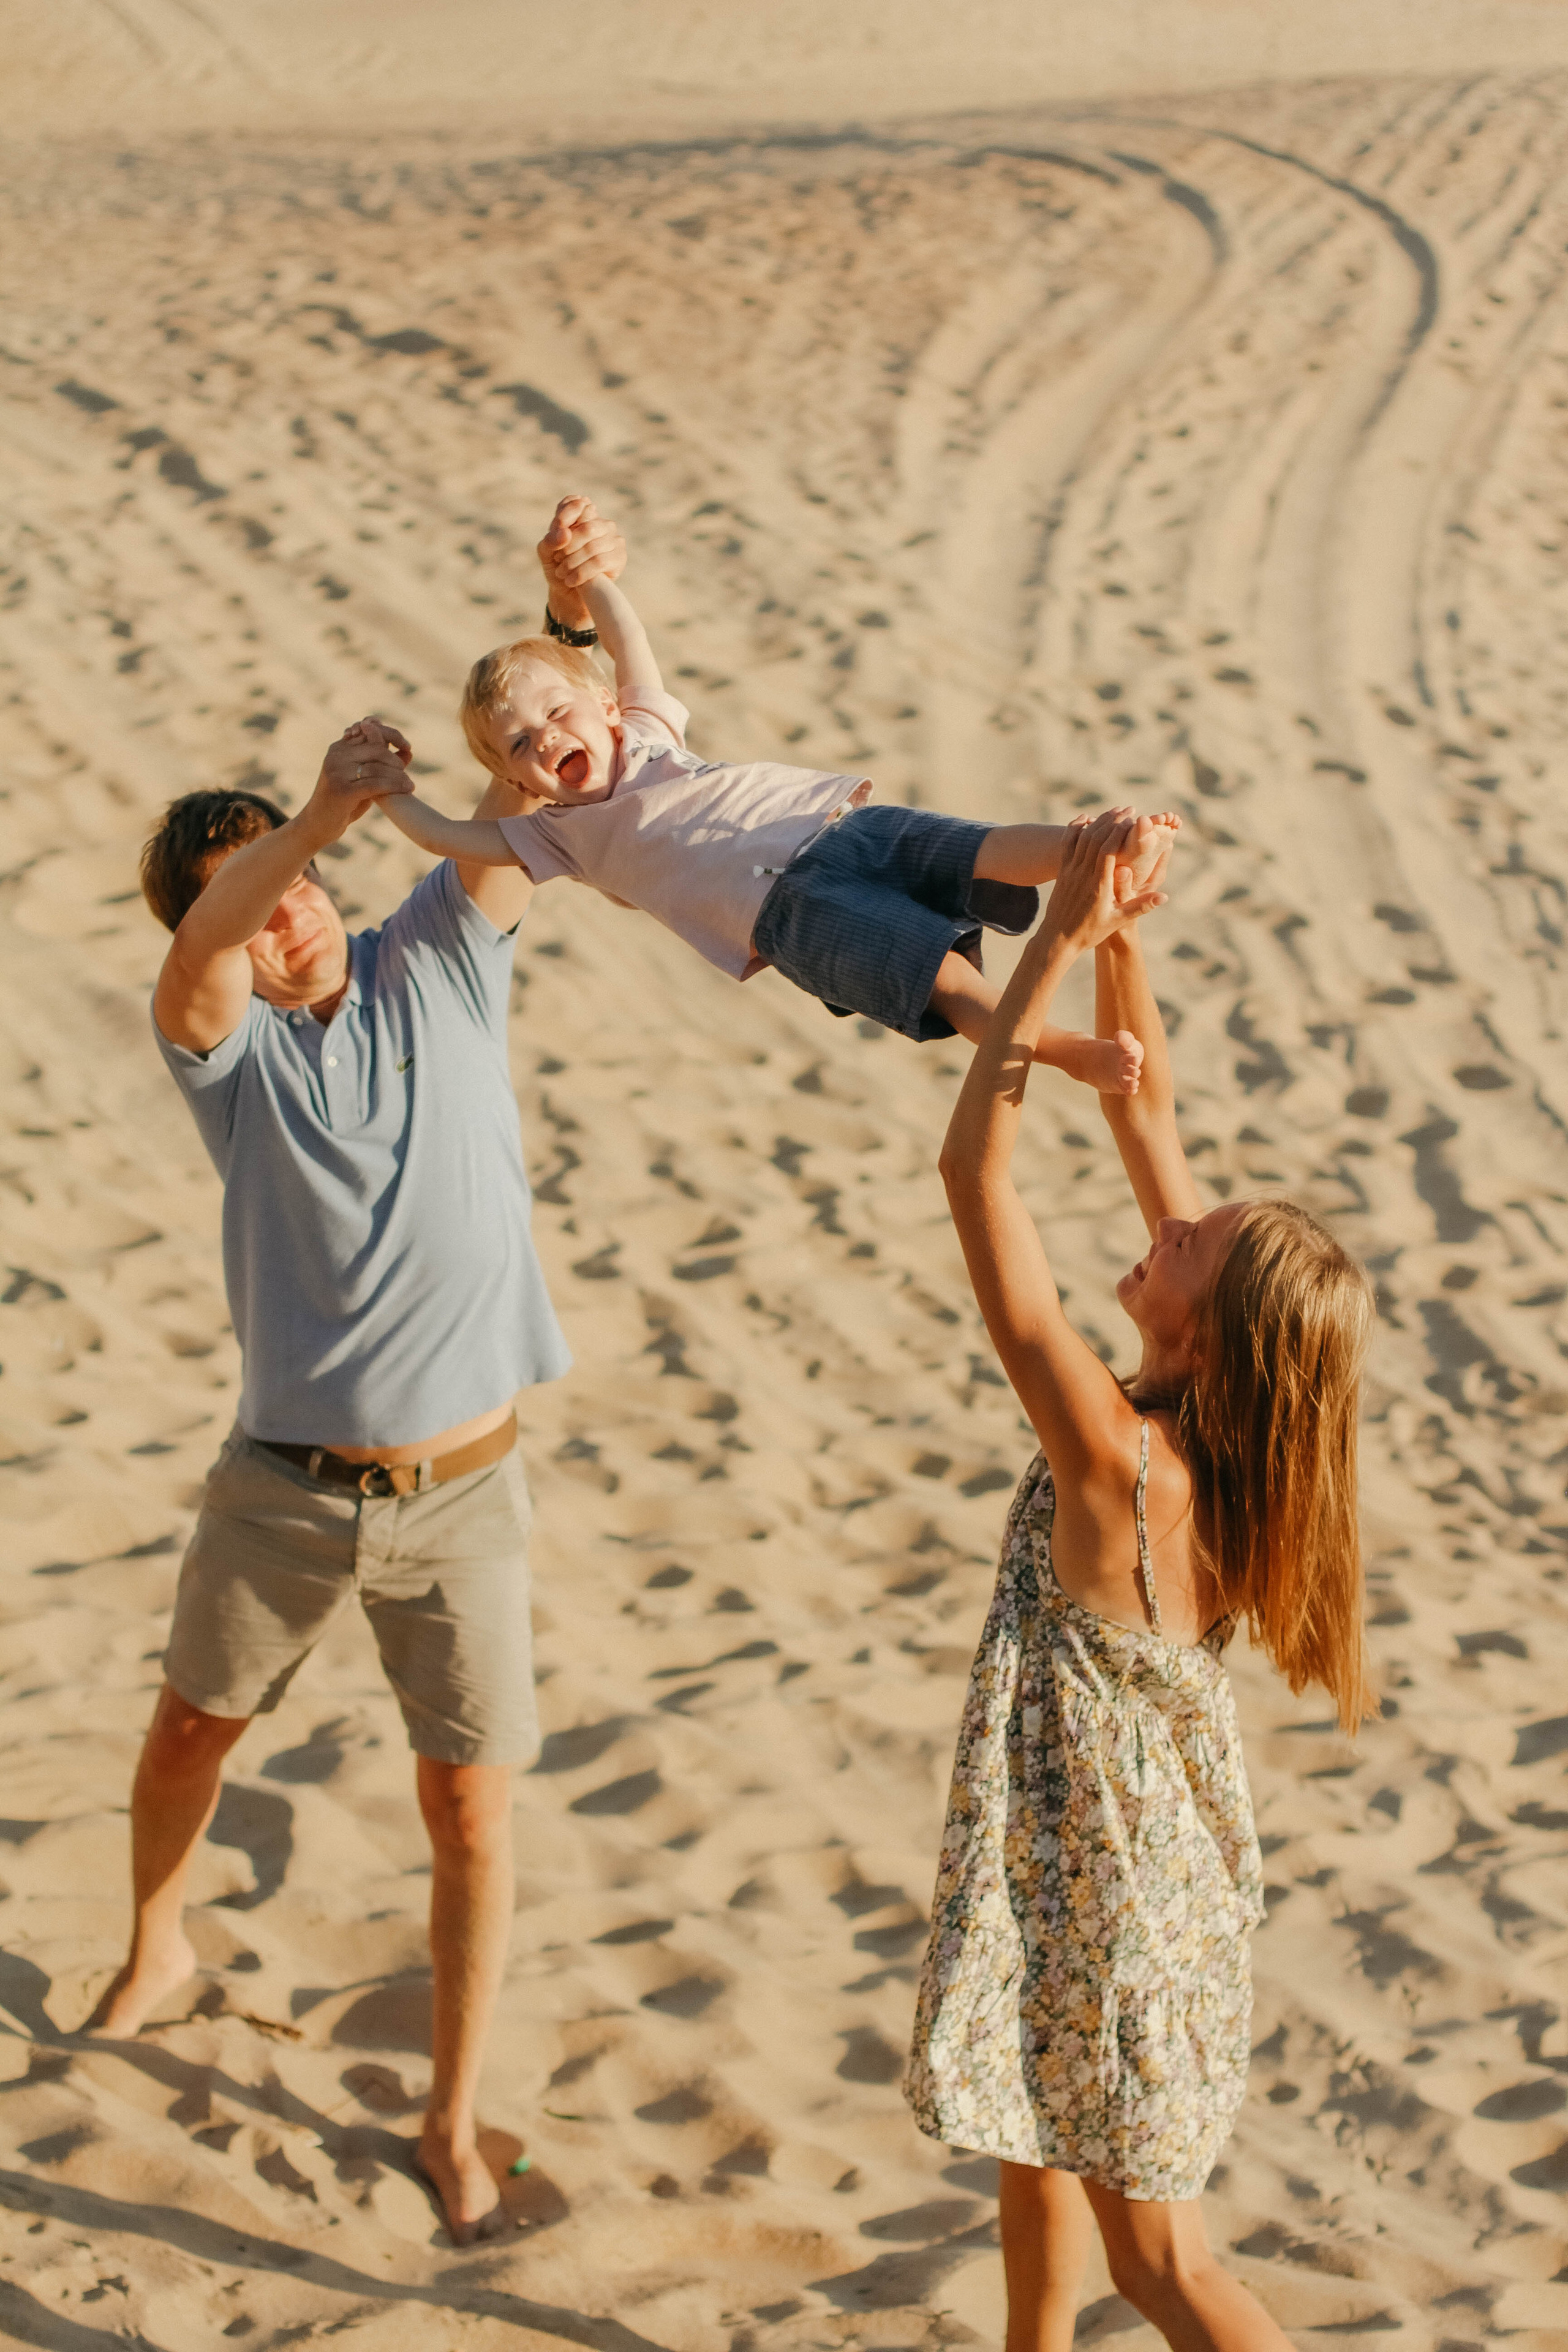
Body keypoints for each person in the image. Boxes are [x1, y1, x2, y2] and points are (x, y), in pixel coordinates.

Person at [80, 510, 627, 2246]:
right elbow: (201, 950)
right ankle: (157, 1943)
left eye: (309, 880)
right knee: (192, 1727)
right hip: (287, 1489)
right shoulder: (219, 1049)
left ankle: (458, 2124)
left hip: (466, 1492)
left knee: (469, 1807)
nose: (295, 908)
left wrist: (569, 615)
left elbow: (560, 788)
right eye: (259, 894)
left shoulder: (439, 955)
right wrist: (307, 815)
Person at [904, 812, 1375, 2351]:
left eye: (1189, 1241)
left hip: (1110, 1880)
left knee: (1161, 2270)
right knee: (1032, 2116)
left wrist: (1037, 960)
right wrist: (1119, 935)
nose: (1161, 1222)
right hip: (1127, 1850)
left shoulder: (1115, 1455)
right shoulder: (1235, 1456)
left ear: (1211, 1328)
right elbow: (1146, 1110)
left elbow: (975, 1177)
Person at [369, 503, 1180, 1094]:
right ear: (518, 783)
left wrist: (592, 583)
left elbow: (629, 643)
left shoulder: (645, 724)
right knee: (941, 980)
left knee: (978, 847)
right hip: (788, 915)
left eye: (557, 714)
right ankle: (1071, 1052)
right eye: (520, 748)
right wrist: (390, 794)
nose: (546, 740)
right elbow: (447, 837)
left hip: (828, 821)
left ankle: (1094, 849)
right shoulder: (558, 838)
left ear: (606, 707)